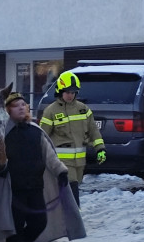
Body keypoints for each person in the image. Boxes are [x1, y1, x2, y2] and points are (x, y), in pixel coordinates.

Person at [0, 92, 85, 242]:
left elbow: (49, 156)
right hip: (13, 190)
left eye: (23, 104)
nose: (21, 107)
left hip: (35, 187)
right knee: (14, 226)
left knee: (39, 222)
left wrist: (60, 171)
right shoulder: (3, 132)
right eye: (16, 105)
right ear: (7, 111)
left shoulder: (35, 131)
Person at [39, 70, 105, 206]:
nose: (70, 95)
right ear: (60, 91)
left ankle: (65, 219)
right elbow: (42, 136)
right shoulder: (51, 111)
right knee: (72, 187)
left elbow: (93, 130)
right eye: (67, 92)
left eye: (73, 92)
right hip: (61, 161)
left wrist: (100, 149)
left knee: (70, 189)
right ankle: (75, 217)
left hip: (80, 162)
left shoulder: (83, 109)